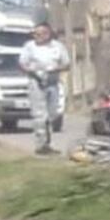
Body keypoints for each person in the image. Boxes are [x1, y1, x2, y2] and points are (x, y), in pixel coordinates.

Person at [19, 24, 70, 154]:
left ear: (47, 34)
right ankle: (41, 145)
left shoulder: (58, 47)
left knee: (53, 114)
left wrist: (55, 69)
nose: (36, 36)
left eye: (39, 34)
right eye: (34, 34)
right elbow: (22, 64)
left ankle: (48, 141)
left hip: (53, 82)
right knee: (39, 115)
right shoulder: (29, 47)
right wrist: (32, 71)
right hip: (36, 82)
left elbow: (66, 64)